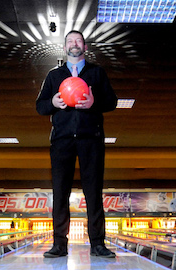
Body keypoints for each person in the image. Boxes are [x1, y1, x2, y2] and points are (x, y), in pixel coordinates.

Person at [36, 30, 118, 258]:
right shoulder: (54, 76)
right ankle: (59, 244)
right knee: (60, 191)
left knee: (93, 191)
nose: (74, 44)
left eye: (78, 40)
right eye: (70, 41)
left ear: (85, 47)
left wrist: (94, 101)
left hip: (91, 138)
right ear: (64, 48)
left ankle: (98, 244)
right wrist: (52, 101)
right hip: (61, 140)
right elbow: (40, 107)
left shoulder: (97, 73)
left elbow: (112, 101)